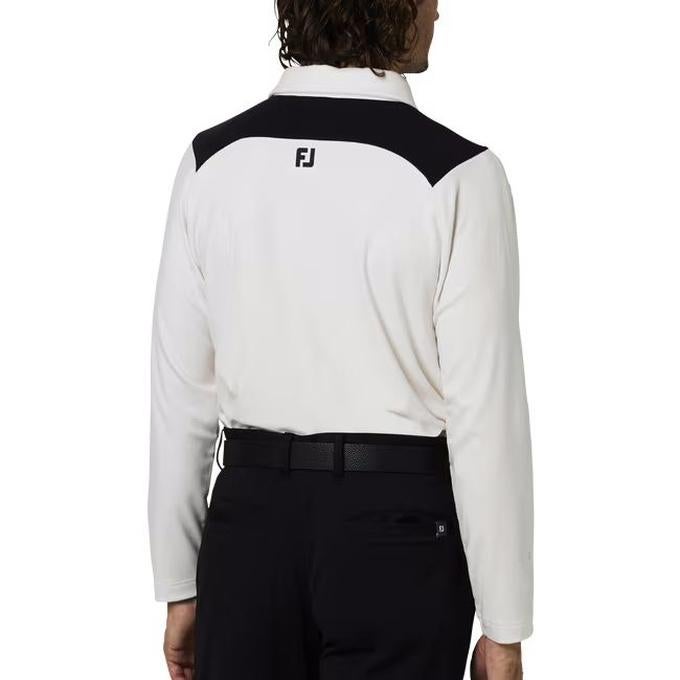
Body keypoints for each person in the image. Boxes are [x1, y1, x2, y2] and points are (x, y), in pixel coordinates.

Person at [148, 1, 534, 678]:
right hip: (397, 537)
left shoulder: (211, 162)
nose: (439, 9)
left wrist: (180, 581)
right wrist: (504, 626)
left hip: (248, 532)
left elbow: (181, 396)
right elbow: (484, 415)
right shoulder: (457, 174)